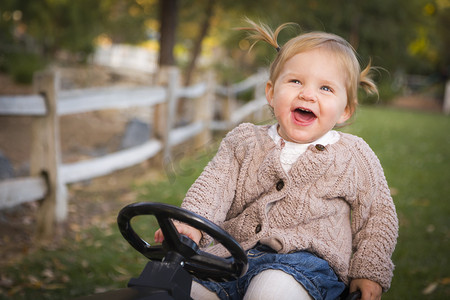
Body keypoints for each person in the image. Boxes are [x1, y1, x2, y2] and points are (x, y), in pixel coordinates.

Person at [154, 19, 398, 300]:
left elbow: (378, 215)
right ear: (271, 92)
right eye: (295, 81)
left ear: (345, 111)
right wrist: (191, 225)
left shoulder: (353, 155)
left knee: (270, 290)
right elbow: (213, 187)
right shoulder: (244, 141)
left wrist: (370, 270)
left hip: (306, 264)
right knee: (181, 290)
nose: (307, 94)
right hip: (232, 256)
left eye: (326, 89)